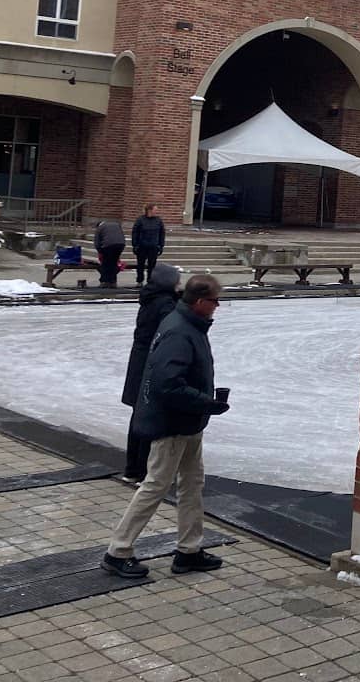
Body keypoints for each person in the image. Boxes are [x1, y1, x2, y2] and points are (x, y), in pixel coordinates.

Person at [102, 274, 230, 578]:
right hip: (171, 422)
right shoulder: (179, 331)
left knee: (192, 484)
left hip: (188, 422)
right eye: (215, 301)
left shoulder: (187, 324)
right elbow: (167, 385)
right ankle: (117, 551)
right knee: (156, 485)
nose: (217, 306)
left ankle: (189, 550)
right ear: (200, 302)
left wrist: (202, 406)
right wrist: (205, 402)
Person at [118, 262, 180, 482]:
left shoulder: (150, 298)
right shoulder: (165, 305)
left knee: (139, 415)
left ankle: (132, 469)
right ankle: (143, 471)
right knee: (150, 417)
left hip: (139, 361)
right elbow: (171, 332)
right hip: (150, 364)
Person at [131, 203, 166, 288]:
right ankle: (139, 280)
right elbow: (135, 232)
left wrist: (161, 245)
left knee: (152, 265)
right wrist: (135, 245)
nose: (156, 212)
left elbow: (162, 233)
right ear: (149, 210)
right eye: (155, 210)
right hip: (142, 246)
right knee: (140, 264)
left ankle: (150, 280)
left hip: (153, 246)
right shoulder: (140, 220)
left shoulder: (158, 220)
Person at [94, 217, 126, 289]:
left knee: (106, 264)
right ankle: (113, 282)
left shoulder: (100, 228)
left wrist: (100, 251)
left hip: (108, 245)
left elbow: (97, 242)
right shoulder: (116, 224)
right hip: (120, 245)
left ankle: (104, 282)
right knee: (114, 263)